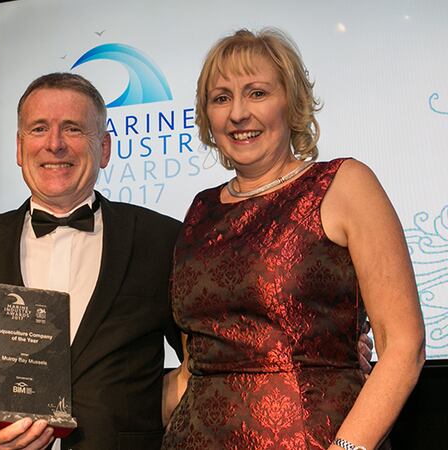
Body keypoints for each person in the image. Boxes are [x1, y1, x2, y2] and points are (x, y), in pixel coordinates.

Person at [161, 28, 425, 449]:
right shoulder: (200, 211)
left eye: (258, 93)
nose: (238, 114)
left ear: (292, 102)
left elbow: (403, 347)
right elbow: (195, 363)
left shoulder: (343, 184)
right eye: (221, 98)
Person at [0, 72, 185, 450]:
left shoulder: (160, 240)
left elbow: (202, 363)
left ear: (105, 148)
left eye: (73, 129)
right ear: (18, 147)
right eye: (39, 128)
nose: (55, 144)